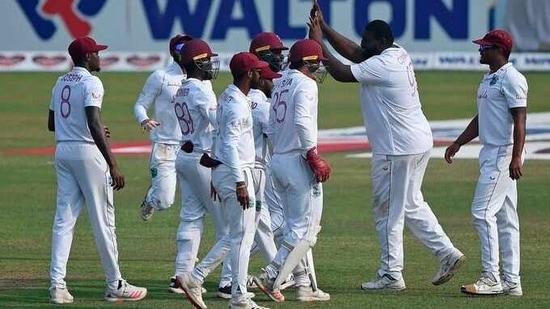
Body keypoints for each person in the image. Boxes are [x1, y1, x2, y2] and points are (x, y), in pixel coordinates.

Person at [308, 1, 465, 291]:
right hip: (416, 141)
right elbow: (357, 52)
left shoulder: (383, 64)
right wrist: (325, 28)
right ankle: (446, 253)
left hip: (397, 148)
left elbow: (343, 72)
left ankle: (391, 275)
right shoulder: (395, 53)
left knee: (387, 212)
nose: (363, 45)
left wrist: (316, 45)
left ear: (380, 43)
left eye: (368, 41)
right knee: (411, 203)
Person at [47, 37, 147, 303]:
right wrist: (113, 163)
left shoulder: (60, 83)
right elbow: (92, 120)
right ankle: (115, 283)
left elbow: (52, 123)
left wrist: (86, 127)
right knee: (104, 220)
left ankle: (57, 286)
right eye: (97, 54)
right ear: (88, 56)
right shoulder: (92, 82)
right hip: (87, 154)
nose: (100, 58)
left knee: (63, 221)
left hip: (63, 151)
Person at [178, 52, 272, 309]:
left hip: (226, 172)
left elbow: (219, 138)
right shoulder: (236, 104)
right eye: (258, 70)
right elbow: (229, 143)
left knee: (236, 235)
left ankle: (198, 279)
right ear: (249, 74)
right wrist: (239, 181)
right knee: (242, 238)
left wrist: (219, 175)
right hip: (236, 173)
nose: (261, 74)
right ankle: (237, 296)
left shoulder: (228, 97)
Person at [445, 29, 527, 297]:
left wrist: (516, 156)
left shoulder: (512, 79)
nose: (480, 51)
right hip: (491, 153)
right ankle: (512, 282)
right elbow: (482, 118)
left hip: (503, 155)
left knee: (482, 213)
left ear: (499, 50)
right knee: (506, 219)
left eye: (485, 47)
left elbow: (520, 121)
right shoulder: (490, 78)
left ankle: (491, 277)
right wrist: (459, 142)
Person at [252, 39, 331, 303]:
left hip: (279, 159)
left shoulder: (280, 81)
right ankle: (271, 275)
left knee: (294, 229)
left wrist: (283, 151)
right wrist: (312, 154)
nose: (320, 68)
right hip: (298, 159)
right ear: (308, 63)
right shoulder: (306, 84)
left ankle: (303, 286)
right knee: (307, 231)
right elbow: (301, 119)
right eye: (318, 62)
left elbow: (273, 126)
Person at [170, 38, 233, 299]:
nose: (211, 64)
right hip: (203, 158)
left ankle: (180, 275)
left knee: (191, 218)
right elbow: (218, 121)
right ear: (197, 63)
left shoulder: (181, 89)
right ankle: (227, 283)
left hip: (185, 156)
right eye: (207, 59)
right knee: (229, 227)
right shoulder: (201, 90)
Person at [134, 34, 192, 221]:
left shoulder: (201, 78)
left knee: (198, 201)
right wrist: (144, 119)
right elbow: (140, 105)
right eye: (184, 49)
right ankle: (151, 199)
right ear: (174, 53)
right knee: (165, 200)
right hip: (165, 146)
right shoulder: (161, 77)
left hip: (191, 148)